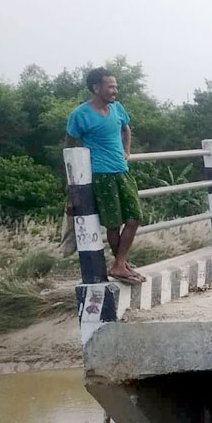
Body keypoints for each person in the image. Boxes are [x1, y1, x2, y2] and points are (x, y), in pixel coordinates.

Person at [65, 67, 143, 284]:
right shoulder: (80, 114)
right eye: (110, 87)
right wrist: (71, 184)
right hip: (101, 175)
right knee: (113, 223)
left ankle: (120, 263)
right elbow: (69, 145)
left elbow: (126, 129)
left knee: (135, 216)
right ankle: (121, 265)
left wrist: (127, 151)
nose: (115, 91)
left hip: (122, 171)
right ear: (96, 88)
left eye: (116, 87)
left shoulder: (117, 108)